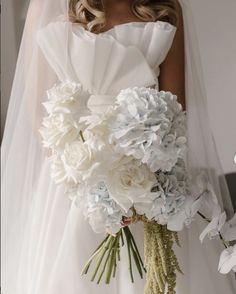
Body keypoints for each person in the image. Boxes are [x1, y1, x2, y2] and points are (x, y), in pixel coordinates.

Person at [1, 1, 235, 293]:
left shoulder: (167, 7)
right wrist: (95, 175)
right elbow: (39, 114)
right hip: (75, 178)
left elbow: (175, 112)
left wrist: (139, 174)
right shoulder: (51, 4)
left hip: (148, 178)